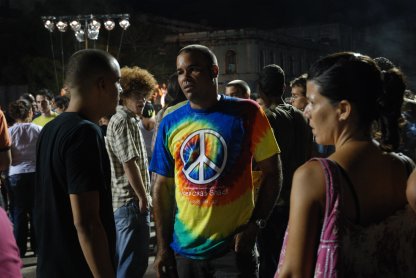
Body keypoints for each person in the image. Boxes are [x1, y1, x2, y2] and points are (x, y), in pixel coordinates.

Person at [276, 52, 416, 277]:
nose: (306, 112)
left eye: (312, 102)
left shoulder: (315, 177)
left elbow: (293, 272)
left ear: (343, 109)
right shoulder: (406, 168)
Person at [150, 44, 282, 277]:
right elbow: (161, 186)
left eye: (193, 69)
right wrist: (162, 248)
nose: (185, 77)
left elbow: (273, 172)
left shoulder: (247, 112)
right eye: (180, 72)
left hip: (233, 252)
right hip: (184, 252)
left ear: (214, 71)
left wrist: (255, 226)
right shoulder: (171, 121)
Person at [35, 49, 119, 278]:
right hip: (78, 268)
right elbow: (87, 222)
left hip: (51, 266)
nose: (119, 90)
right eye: (117, 82)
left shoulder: (50, 129)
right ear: (102, 84)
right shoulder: (85, 133)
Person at [257, 64, 312, 278]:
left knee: (269, 261)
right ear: (282, 87)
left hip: (273, 202)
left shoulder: (266, 119)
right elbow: (309, 155)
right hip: (297, 199)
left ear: (260, 89)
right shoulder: (300, 117)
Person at [105, 66, 156, 278]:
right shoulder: (124, 120)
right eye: (137, 95)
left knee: (129, 262)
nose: (142, 100)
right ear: (124, 94)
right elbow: (129, 163)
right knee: (132, 264)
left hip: (127, 204)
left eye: (144, 95)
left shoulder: (128, 119)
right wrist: (144, 197)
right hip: (130, 202)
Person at [7, 99, 42, 257]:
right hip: (36, 173)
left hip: (16, 174)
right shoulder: (38, 130)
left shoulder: (9, 132)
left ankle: (19, 249)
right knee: (36, 211)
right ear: (30, 112)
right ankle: (37, 247)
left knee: (19, 212)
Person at [289, 73, 335, 158]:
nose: (291, 100)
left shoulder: (321, 123)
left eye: (295, 96)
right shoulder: (300, 120)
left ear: (308, 96)